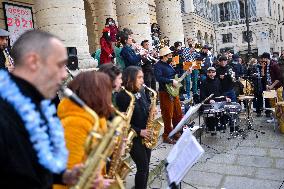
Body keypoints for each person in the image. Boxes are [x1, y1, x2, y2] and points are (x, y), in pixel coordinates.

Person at [0, 30, 84, 188]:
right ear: (33, 62)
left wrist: (64, 176)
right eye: (59, 65)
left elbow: (35, 164)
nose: (63, 75)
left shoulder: (37, 102)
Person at [54, 71, 113, 189]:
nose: (109, 96)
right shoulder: (74, 123)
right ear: (94, 93)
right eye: (106, 90)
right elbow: (69, 176)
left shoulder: (96, 117)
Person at [116, 66, 151, 189]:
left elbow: (145, 106)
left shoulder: (140, 90)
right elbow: (121, 120)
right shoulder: (122, 96)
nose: (143, 80)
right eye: (139, 77)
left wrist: (150, 111)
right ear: (130, 78)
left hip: (146, 133)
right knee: (143, 167)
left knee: (146, 167)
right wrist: (139, 131)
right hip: (133, 136)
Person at [154, 46, 185, 144]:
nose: (171, 56)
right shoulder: (158, 65)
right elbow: (158, 78)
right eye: (169, 55)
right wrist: (171, 81)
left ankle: (176, 132)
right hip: (165, 92)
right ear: (164, 56)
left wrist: (185, 72)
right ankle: (167, 135)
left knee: (178, 113)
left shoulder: (169, 64)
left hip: (173, 91)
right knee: (168, 115)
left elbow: (175, 75)